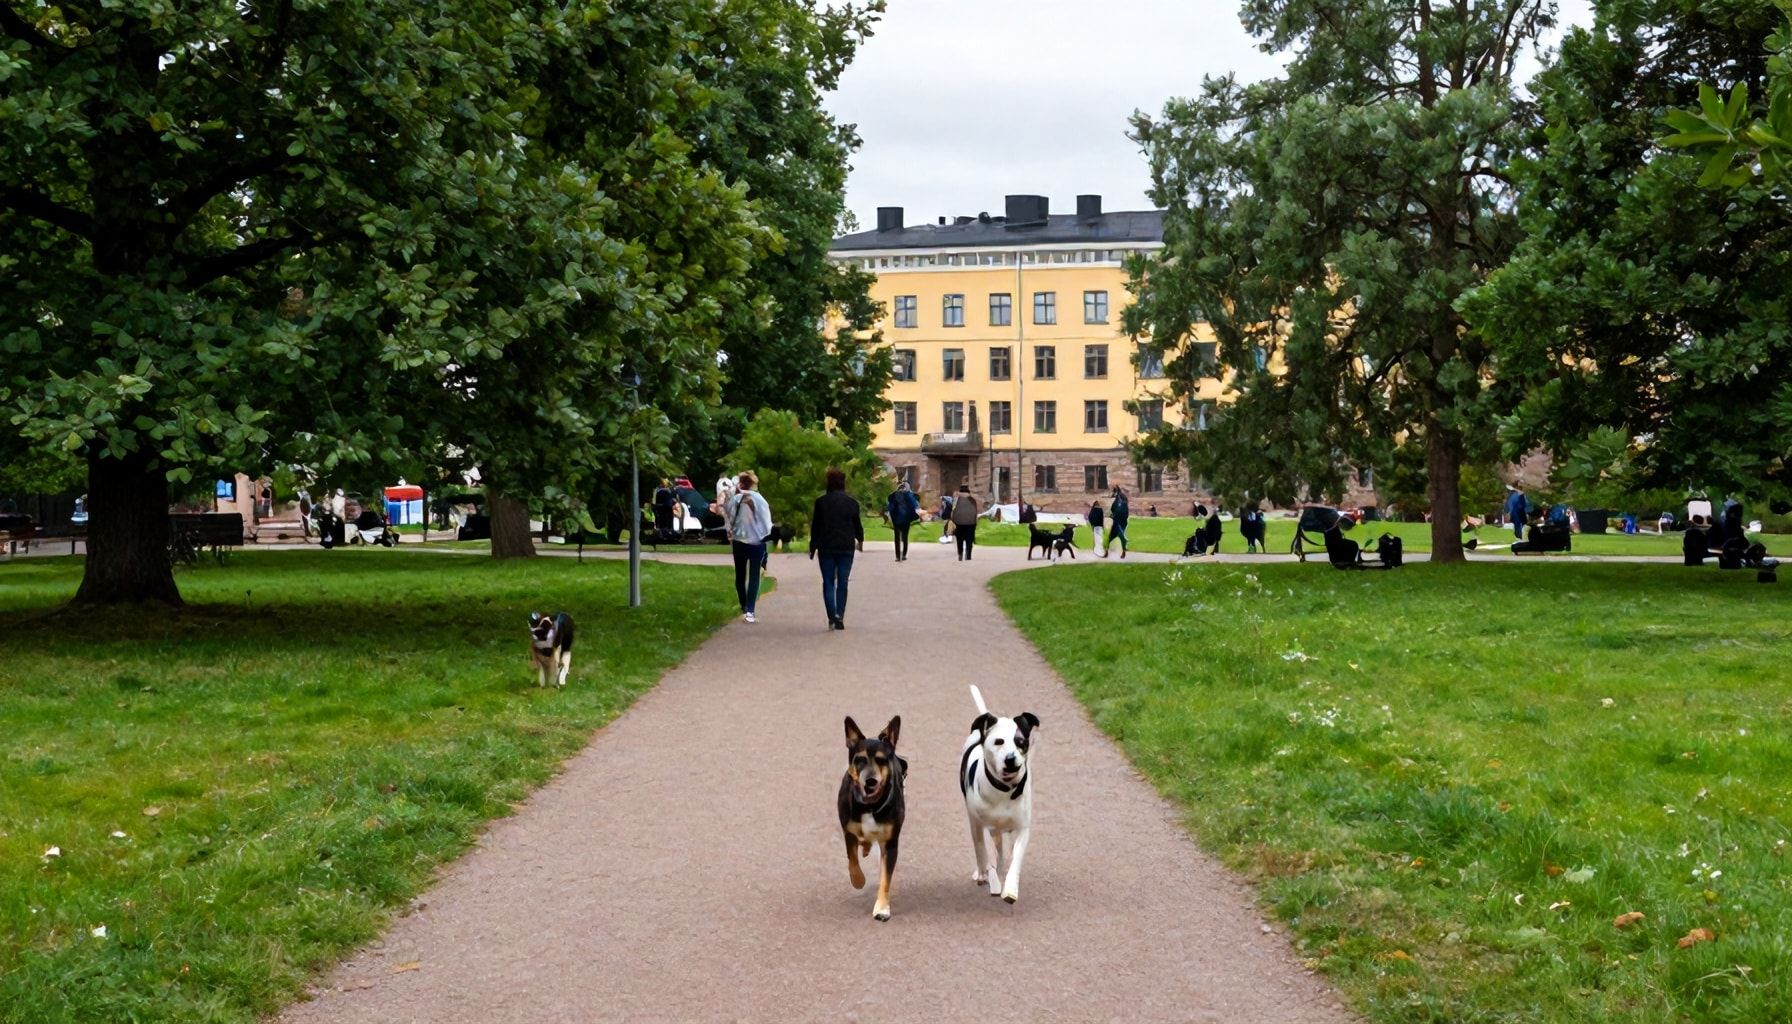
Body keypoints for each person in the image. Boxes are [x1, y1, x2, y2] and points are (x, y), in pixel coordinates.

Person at [810, 467, 864, 630]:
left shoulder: (821, 502)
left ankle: (831, 614)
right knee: (843, 581)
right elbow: (857, 525)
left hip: (826, 545)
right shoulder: (852, 502)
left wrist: (813, 546)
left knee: (828, 582)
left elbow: (816, 527)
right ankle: (840, 614)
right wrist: (860, 540)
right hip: (846, 546)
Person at [725, 473, 772, 623]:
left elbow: (729, 518)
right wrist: (764, 535)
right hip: (755, 542)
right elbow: (766, 523)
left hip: (738, 541)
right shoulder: (760, 500)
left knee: (740, 574)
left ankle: (743, 604)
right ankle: (750, 610)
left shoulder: (735, 499)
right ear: (754, 484)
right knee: (754, 576)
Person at [886, 480, 920, 562]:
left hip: (896, 519)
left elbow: (889, 507)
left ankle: (898, 556)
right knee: (905, 537)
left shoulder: (893, 496)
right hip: (906, 519)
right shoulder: (908, 495)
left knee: (897, 538)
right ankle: (904, 555)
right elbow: (915, 505)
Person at [949, 483, 981, 560]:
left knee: (959, 539)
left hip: (958, 522)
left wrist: (952, 519)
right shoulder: (972, 499)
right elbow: (975, 510)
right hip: (971, 523)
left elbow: (952, 510)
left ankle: (960, 554)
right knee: (969, 540)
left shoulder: (956, 498)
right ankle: (968, 555)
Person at [1107, 485, 1131, 558]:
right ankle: (1106, 551)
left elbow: (1118, 508)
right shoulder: (1121, 497)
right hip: (1122, 520)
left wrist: (1113, 515)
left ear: (1115, 491)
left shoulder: (1119, 498)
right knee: (1112, 537)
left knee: (1119, 536)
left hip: (1118, 520)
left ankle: (1123, 550)